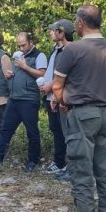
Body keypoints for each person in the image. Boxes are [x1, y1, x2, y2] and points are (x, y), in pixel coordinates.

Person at [52, 5, 106, 212]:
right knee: (105, 172)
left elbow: (57, 86)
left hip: (83, 114)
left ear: (80, 23)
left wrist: (61, 103)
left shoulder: (73, 50)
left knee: (81, 171)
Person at [0, 32, 47, 172]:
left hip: (29, 99)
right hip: (14, 98)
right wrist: (9, 75)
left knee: (32, 131)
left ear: (31, 42)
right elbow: (16, 74)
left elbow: (42, 74)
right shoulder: (18, 55)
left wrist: (25, 67)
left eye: (23, 45)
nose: (21, 48)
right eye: (19, 45)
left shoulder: (39, 56)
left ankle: (33, 160)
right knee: (5, 129)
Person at [38, 20, 73, 176]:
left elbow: (65, 75)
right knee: (56, 130)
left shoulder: (69, 50)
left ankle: (68, 164)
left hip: (62, 97)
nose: (50, 32)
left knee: (67, 132)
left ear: (62, 33)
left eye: (53, 30)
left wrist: (50, 87)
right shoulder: (56, 49)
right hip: (52, 97)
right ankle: (59, 161)